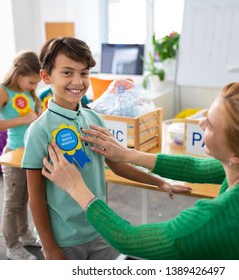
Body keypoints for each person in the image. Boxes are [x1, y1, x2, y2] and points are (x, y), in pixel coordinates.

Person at [41, 81, 239, 260]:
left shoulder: (212, 220)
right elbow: (202, 167)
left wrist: (78, 189)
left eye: (211, 124)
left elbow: (128, 239)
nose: (201, 122)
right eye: (207, 114)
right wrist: (131, 154)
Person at [21, 37, 191, 260]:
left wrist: (159, 181)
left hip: (100, 226)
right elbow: (35, 197)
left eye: (84, 73)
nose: (78, 81)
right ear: (46, 76)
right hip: (64, 238)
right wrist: (51, 248)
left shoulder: (93, 119)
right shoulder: (39, 130)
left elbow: (119, 166)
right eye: (67, 73)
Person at [0, 51, 42, 260]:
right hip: (13, 155)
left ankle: (24, 233)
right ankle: (12, 245)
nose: (34, 86)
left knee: (25, 198)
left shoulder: (29, 93)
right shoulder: (2, 92)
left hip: (30, 154)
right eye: (32, 82)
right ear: (18, 73)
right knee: (12, 203)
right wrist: (22, 120)